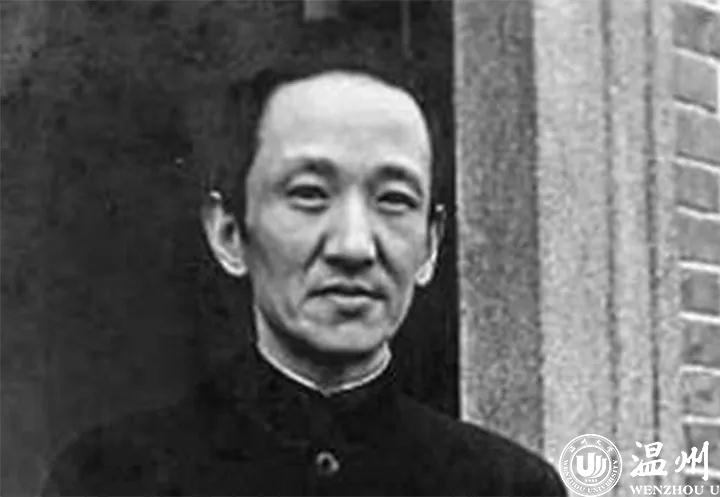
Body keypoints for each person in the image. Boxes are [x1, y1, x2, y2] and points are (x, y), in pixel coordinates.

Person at [43, 63, 566, 496]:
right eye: (309, 194)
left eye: (394, 199)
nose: (354, 247)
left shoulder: (509, 487)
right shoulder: (112, 478)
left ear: (430, 245)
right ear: (229, 232)